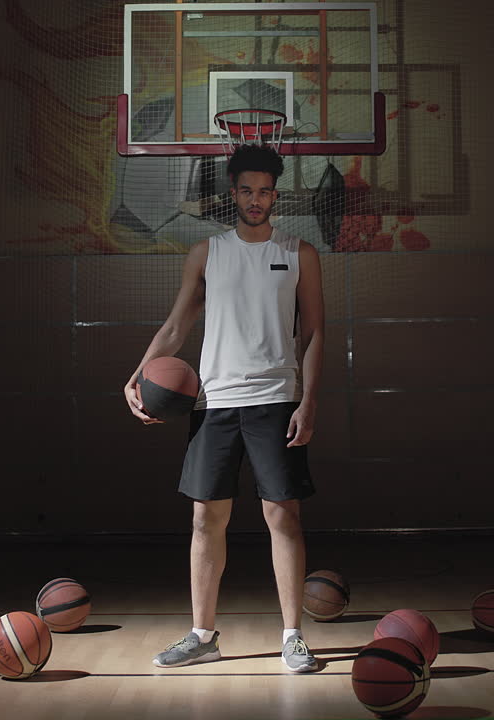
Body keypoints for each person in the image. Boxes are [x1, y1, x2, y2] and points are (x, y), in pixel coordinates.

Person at [123, 144, 325, 673]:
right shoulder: (207, 253)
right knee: (204, 519)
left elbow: (316, 331)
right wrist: (138, 374)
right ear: (231, 194)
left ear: (275, 195)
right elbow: (176, 326)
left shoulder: (299, 252)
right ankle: (201, 634)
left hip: (276, 399)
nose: (255, 200)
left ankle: (292, 637)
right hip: (215, 403)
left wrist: (309, 399)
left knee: (283, 516)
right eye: (246, 190)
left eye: (265, 191)